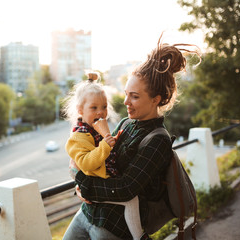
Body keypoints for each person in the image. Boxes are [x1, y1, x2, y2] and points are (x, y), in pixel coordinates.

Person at [62, 36, 201, 240]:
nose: (126, 101)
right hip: (87, 214)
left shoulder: (158, 140)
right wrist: (80, 181)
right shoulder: (126, 124)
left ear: (156, 100)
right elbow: (96, 160)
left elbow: (126, 188)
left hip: (115, 227)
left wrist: (84, 186)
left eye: (134, 96)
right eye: (126, 94)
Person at [63, 72, 148, 240]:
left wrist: (112, 141)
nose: (101, 112)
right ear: (80, 110)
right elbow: (86, 163)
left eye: (104, 107)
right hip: (99, 185)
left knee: (132, 201)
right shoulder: (78, 136)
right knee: (131, 201)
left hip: (104, 189)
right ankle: (140, 237)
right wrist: (105, 145)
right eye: (94, 108)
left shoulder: (96, 130)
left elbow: (106, 154)